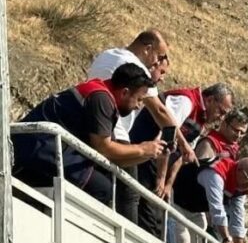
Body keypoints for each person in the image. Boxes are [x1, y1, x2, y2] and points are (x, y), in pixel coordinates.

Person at [13, 64, 165, 205]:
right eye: (139, 99)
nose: (139, 106)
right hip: (40, 149)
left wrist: (147, 154)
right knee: (102, 189)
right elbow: (104, 148)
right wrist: (142, 149)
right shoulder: (101, 99)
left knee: (105, 180)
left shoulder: (102, 93)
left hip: (42, 147)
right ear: (125, 92)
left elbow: (112, 157)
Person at [88, 30, 197, 222]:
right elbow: (160, 111)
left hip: (91, 123)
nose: (157, 62)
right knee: (130, 194)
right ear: (148, 49)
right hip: (116, 132)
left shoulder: (107, 54)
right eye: (159, 56)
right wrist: (183, 144)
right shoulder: (136, 68)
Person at [127, 84, 235, 239]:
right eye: (221, 111)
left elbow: (181, 157)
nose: (221, 117)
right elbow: (167, 136)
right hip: (143, 154)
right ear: (210, 100)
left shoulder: (200, 121)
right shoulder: (186, 102)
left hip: (158, 164)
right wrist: (161, 179)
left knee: (161, 219)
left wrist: (169, 184)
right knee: (149, 215)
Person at [170, 110, 248, 243]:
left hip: (197, 208)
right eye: (236, 130)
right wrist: (226, 237)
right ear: (224, 124)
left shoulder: (233, 150)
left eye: (242, 133)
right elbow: (203, 177)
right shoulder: (210, 143)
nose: (238, 136)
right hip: (180, 199)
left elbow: (238, 208)